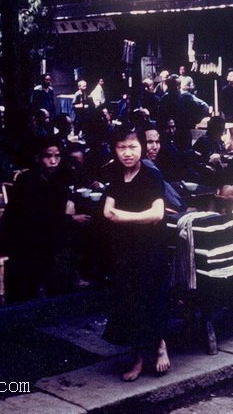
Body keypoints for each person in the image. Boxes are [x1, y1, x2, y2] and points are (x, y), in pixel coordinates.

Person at [101, 126, 171, 381]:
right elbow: (107, 212)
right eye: (121, 147)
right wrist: (134, 219)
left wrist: (124, 217)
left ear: (141, 147)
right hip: (126, 251)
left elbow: (157, 214)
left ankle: (161, 347)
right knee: (131, 303)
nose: (127, 153)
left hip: (150, 250)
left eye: (132, 147)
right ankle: (140, 357)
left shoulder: (151, 176)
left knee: (151, 300)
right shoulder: (117, 177)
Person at [0, 136, 91, 301]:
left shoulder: (56, 178)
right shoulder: (27, 180)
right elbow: (34, 217)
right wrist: (70, 219)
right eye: (48, 156)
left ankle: (67, 287)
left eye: (57, 156)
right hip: (23, 237)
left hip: (44, 231)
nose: (53, 161)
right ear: (38, 158)